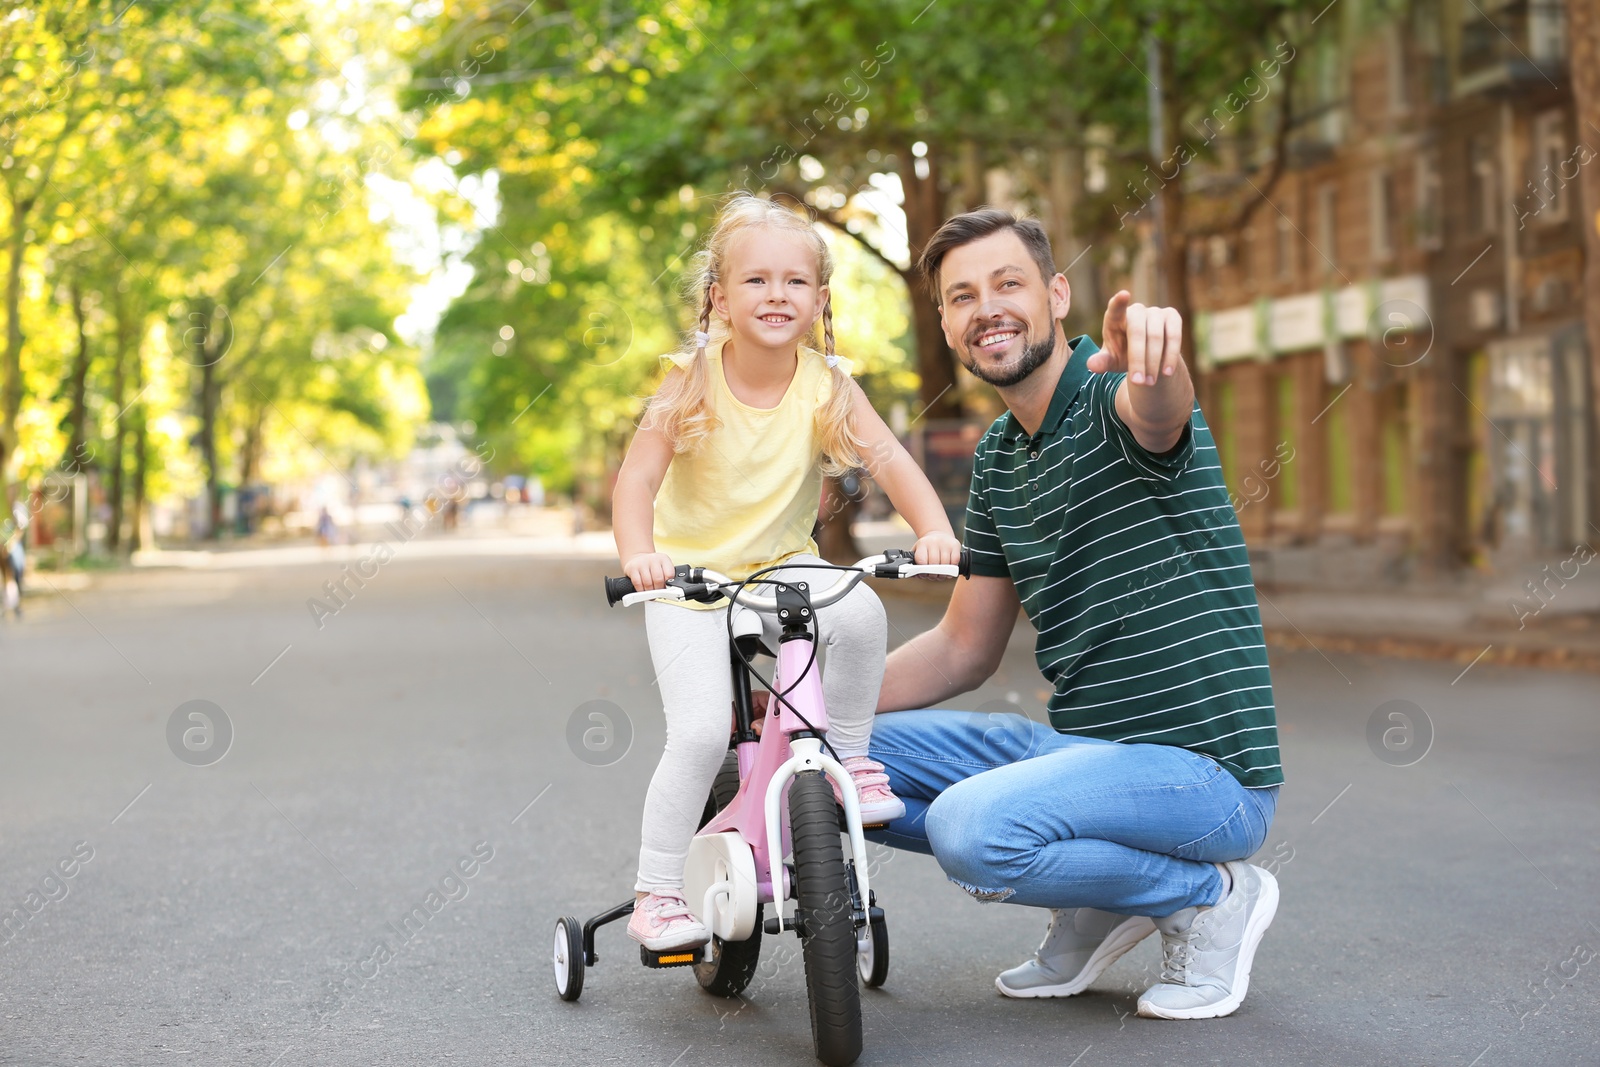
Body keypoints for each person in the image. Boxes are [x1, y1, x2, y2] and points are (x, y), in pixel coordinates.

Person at [868, 209, 1283, 1021]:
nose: (988, 306)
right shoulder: (996, 456)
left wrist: (1157, 359)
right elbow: (961, 646)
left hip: (1206, 777)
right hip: (1084, 752)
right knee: (832, 752)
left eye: (1009, 283)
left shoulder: (1108, 393)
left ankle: (1204, 895)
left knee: (969, 828)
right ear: (948, 322)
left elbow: (1157, 408)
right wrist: (797, 704)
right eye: (963, 296)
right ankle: (1106, 893)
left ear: (1058, 295)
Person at [611, 193, 963, 953]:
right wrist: (640, 553)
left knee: (862, 614)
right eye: (756, 281)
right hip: (688, 578)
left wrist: (933, 528)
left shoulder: (826, 383)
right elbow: (636, 479)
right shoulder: (691, 379)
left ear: (820, 300)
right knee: (702, 732)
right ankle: (658, 890)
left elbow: (889, 458)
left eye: (795, 282)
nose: (776, 295)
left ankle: (855, 757)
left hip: (780, 566)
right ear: (719, 299)